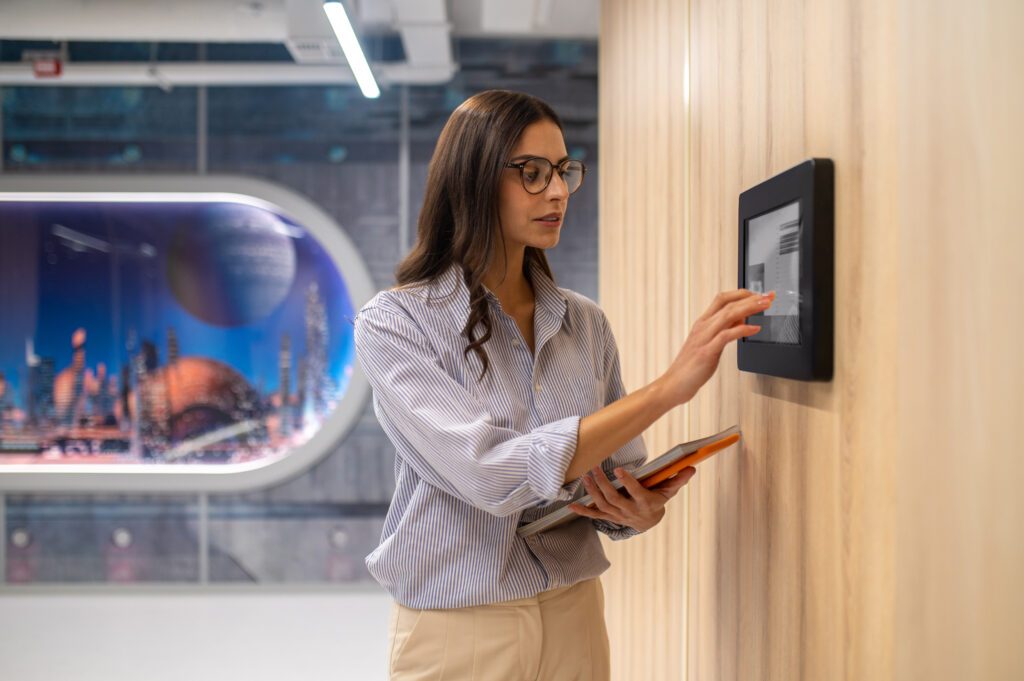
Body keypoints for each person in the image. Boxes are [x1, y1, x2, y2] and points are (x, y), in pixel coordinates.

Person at [353, 89, 774, 680]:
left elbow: (615, 466)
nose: (556, 191)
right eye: (531, 172)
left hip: (574, 613)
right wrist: (668, 389)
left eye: (562, 170)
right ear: (473, 180)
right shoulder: (397, 323)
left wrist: (632, 509)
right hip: (461, 628)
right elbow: (488, 473)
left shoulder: (584, 321)